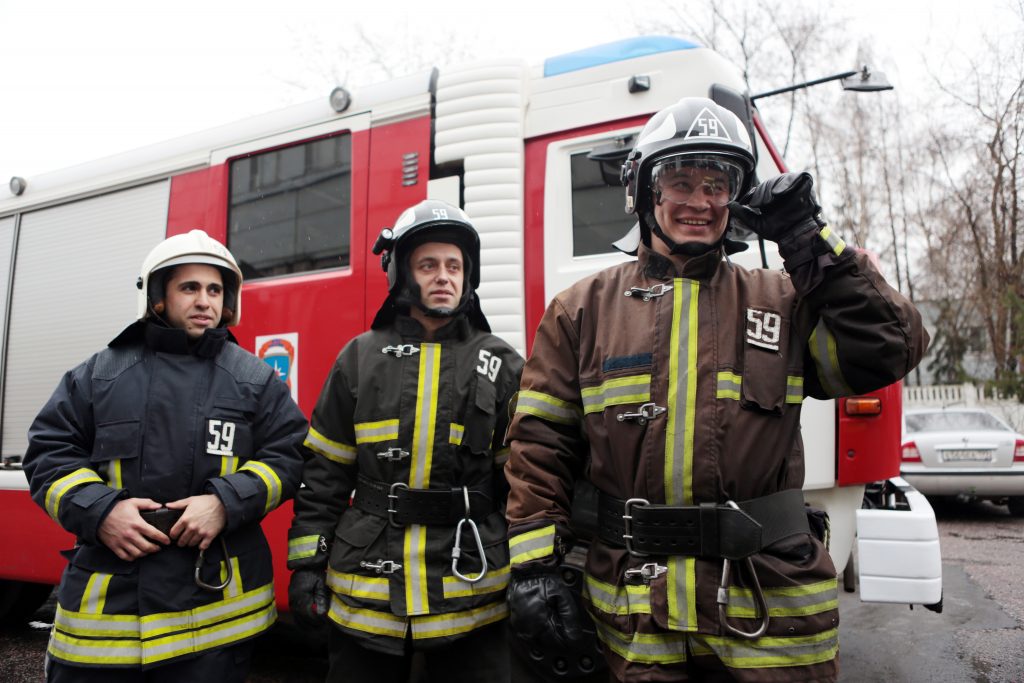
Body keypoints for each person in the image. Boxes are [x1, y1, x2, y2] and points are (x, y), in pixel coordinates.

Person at [504, 98, 929, 682]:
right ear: (644, 193)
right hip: (636, 617)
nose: (701, 201)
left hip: (768, 614)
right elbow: (539, 447)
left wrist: (812, 243)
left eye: (718, 183)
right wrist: (534, 569)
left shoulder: (784, 299)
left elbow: (891, 347)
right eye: (680, 181)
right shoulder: (581, 310)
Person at [24, 229, 307, 682]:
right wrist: (101, 512)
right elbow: (47, 455)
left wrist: (224, 502)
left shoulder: (255, 380)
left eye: (215, 289)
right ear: (158, 297)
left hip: (214, 618)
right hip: (108, 623)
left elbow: (290, 456)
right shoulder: (99, 375)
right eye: (189, 288)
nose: (204, 301)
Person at [287, 199, 524, 683]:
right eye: (428, 265)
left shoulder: (501, 362)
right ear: (401, 273)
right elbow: (325, 473)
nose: (443, 276)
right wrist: (307, 563)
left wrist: (532, 568)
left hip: (471, 589)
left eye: (454, 266)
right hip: (367, 594)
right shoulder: (359, 357)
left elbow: (522, 481)